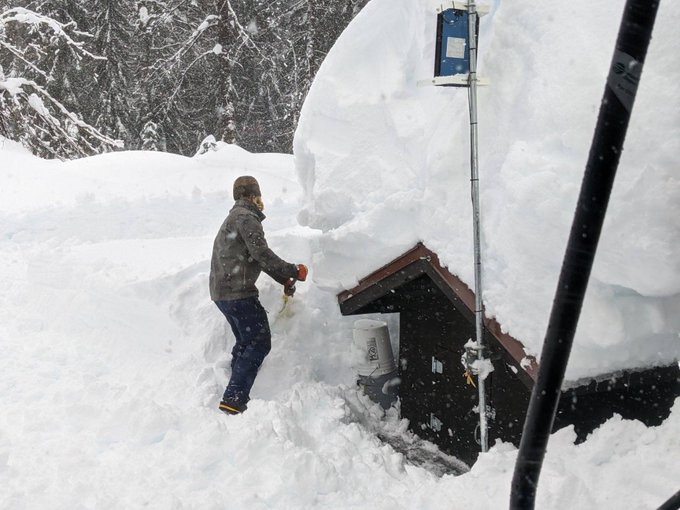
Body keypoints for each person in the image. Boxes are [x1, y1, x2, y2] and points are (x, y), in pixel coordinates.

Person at [209, 175, 308, 415]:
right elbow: (262, 254)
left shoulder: (235, 217)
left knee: (246, 340)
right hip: (238, 293)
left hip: (222, 293)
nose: (261, 200)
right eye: (259, 195)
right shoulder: (246, 218)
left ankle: (233, 384)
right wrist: (294, 270)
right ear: (253, 196)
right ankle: (234, 398)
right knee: (259, 342)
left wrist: (284, 279)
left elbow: (253, 257)